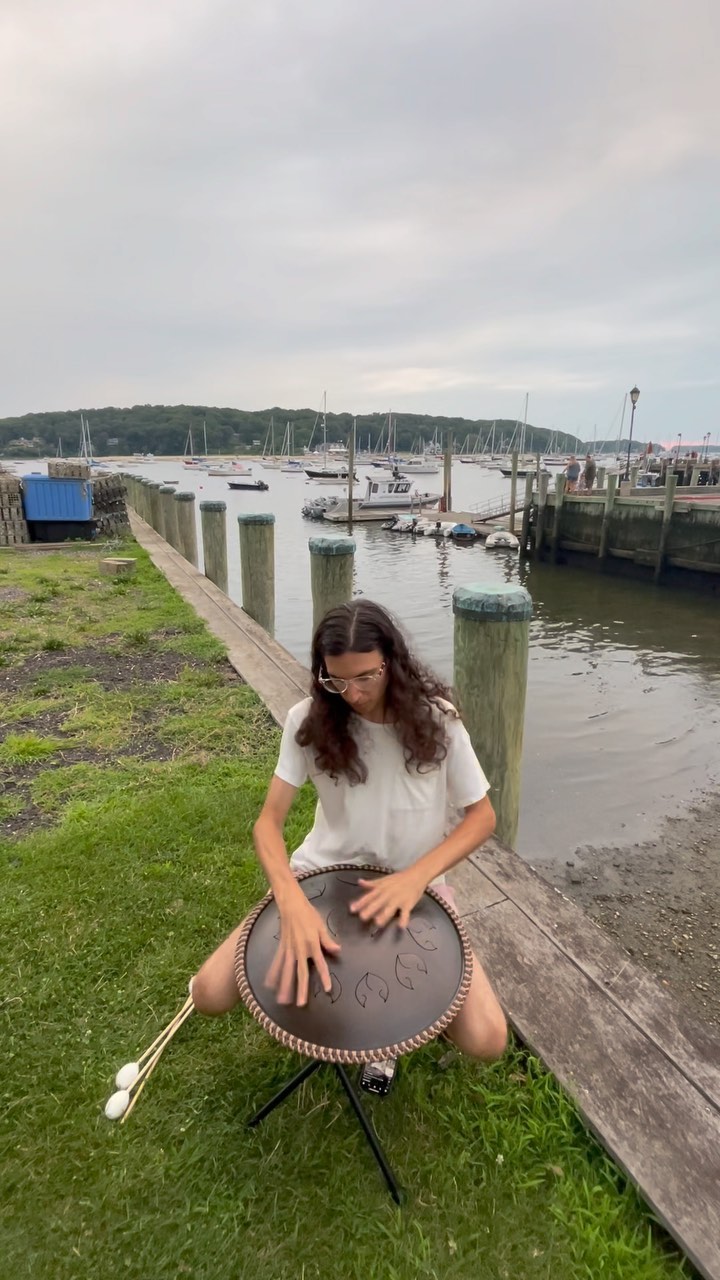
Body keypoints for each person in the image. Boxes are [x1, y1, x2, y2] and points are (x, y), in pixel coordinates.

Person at [191, 600, 507, 1063]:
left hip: (412, 887)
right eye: (336, 680)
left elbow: (482, 817)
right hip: (322, 877)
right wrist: (291, 900)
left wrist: (416, 878)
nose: (352, 694)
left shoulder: (438, 720)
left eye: (365, 677)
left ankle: (409, 1016)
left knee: (487, 1040)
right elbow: (268, 823)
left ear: (391, 663)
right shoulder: (308, 719)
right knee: (208, 994)